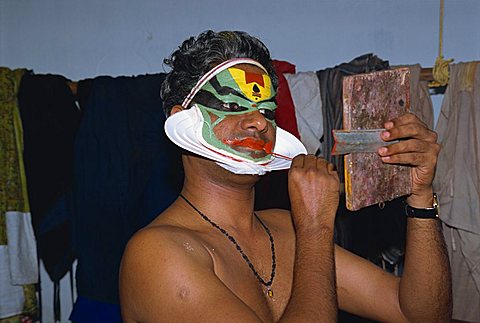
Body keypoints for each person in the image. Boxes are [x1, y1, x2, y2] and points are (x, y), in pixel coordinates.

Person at [119, 30, 452, 322]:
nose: (259, 123)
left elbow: (419, 313)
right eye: (234, 107)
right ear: (183, 121)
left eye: (265, 110)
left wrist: (420, 195)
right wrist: (316, 229)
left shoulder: (286, 229)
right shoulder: (156, 254)